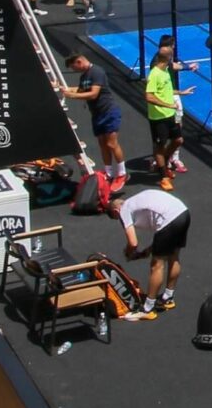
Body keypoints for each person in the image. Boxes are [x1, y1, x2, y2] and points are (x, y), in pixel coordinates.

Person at [116, 186, 190, 319]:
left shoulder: (124, 209)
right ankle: (168, 298)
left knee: (157, 265)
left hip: (170, 220)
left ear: (116, 211)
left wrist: (129, 253)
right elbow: (162, 231)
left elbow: (133, 243)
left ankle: (147, 309)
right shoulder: (138, 200)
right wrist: (149, 250)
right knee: (174, 257)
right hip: (183, 213)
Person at [62, 54, 128, 202]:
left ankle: (122, 173)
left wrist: (71, 96)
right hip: (97, 115)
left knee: (112, 143)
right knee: (102, 144)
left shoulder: (97, 72)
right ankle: (108, 173)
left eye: (74, 67)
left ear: (79, 62)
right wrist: (66, 89)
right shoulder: (84, 76)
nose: (75, 70)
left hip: (108, 111)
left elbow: (93, 94)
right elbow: (81, 90)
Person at [142, 37, 199, 189]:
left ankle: (165, 163)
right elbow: (148, 96)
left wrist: (181, 92)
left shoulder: (166, 70)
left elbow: (167, 90)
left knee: (178, 140)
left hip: (169, 114)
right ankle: (163, 176)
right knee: (160, 146)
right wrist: (168, 104)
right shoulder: (154, 74)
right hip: (158, 117)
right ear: (168, 58)